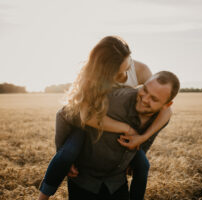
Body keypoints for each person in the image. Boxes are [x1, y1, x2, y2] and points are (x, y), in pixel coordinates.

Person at [38, 36, 171, 200]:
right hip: (90, 127)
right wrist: (125, 128)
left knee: (142, 165)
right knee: (66, 155)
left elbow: (163, 110)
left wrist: (141, 139)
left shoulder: (141, 70)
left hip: (117, 135)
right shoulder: (91, 77)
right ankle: (43, 196)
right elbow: (85, 117)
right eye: (119, 73)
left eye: (127, 67)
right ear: (103, 70)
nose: (124, 76)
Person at [62, 71, 180, 200]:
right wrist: (66, 156)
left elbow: (146, 142)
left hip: (116, 183)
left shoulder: (160, 119)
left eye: (154, 99)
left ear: (167, 105)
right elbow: (70, 113)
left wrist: (136, 155)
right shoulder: (116, 99)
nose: (145, 99)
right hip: (84, 179)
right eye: (144, 90)